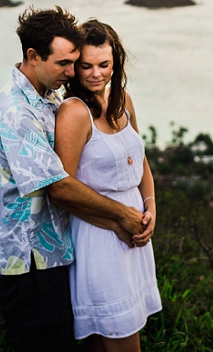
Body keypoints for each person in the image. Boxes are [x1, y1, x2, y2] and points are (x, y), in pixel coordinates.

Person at [0, 7, 149, 352]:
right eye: (65, 64)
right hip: (26, 259)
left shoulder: (47, 97)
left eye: (76, 62)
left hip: (54, 251)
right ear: (33, 56)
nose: (73, 73)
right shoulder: (15, 111)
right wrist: (120, 215)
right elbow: (58, 185)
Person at [55, 20, 162, 352]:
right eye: (85, 65)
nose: (95, 74)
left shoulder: (123, 100)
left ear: (116, 63)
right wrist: (116, 221)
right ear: (74, 66)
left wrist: (151, 206)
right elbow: (64, 190)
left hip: (133, 232)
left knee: (121, 335)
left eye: (104, 65)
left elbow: (139, 158)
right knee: (118, 339)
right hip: (100, 237)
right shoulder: (74, 112)